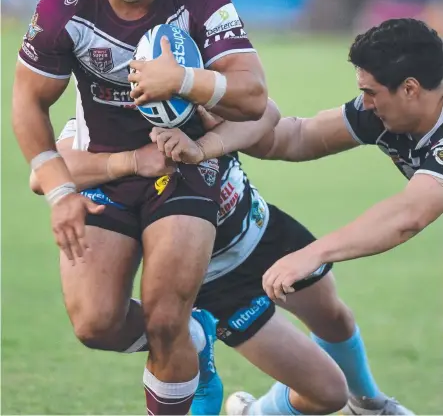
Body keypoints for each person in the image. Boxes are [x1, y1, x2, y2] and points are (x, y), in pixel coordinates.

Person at [12, 0, 267, 414]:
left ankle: (179, 336)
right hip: (107, 169)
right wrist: (61, 192)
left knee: (164, 316)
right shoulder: (66, 6)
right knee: (95, 323)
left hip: (183, 164)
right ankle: (196, 341)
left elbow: (254, 97)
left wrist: (185, 80)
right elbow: (26, 103)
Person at [31, 103, 412, 416]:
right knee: (327, 394)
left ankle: (370, 405)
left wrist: (214, 116)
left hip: (261, 228)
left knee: (335, 316)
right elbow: (44, 175)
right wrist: (131, 161)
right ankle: (250, 406)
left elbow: (266, 114)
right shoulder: (98, 125)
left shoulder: (195, 96)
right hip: (219, 282)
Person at [239, 17, 441, 414]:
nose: (363, 102)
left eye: (370, 92)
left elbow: (409, 214)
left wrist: (315, 253)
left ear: (411, 89)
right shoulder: (386, 112)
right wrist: (214, 120)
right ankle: (364, 406)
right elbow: (297, 137)